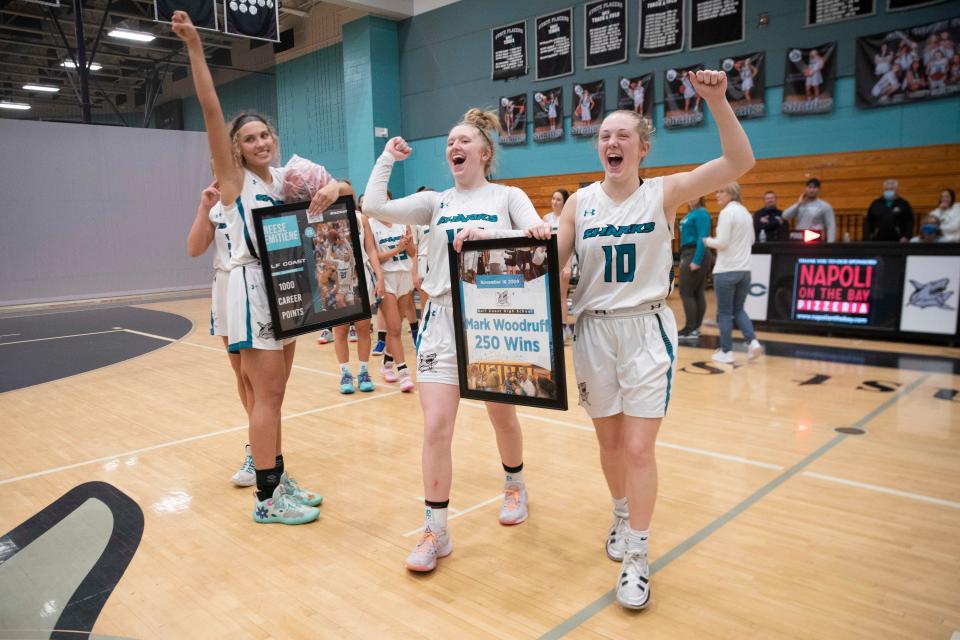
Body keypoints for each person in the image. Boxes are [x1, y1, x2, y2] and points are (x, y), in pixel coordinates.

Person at [554, 69, 755, 610]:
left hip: (644, 328)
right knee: (610, 444)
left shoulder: (665, 192)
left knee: (640, 447)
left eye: (622, 135)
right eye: (603, 135)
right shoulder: (578, 203)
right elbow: (547, 263)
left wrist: (716, 101)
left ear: (642, 147)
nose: (611, 142)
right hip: (592, 330)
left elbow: (739, 164)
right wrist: (491, 249)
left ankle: (639, 556)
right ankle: (620, 514)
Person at [362, 109, 551, 573]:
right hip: (442, 319)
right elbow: (372, 206)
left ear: (484, 152)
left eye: (463, 141)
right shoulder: (437, 202)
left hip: (493, 319)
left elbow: (537, 237)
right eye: (449, 142)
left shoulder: (509, 196)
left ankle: (515, 485)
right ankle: (436, 530)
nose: (454, 147)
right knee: (435, 427)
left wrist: (490, 234)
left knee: (500, 417)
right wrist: (387, 156)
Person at [171, 11, 342, 524]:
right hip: (247, 288)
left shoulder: (285, 180)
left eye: (264, 134)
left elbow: (344, 199)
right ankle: (266, 498)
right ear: (236, 150)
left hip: (284, 289)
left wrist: (336, 187)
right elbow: (208, 109)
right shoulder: (234, 182)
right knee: (262, 393)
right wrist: (197, 49)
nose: (260, 143)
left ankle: (275, 474)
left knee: (275, 392)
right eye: (249, 139)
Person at [186, 180, 258, 486]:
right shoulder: (215, 208)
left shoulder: (260, 196)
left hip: (256, 284)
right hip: (227, 286)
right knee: (242, 373)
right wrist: (204, 206)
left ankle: (263, 450)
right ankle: (258, 446)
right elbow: (193, 249)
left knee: (261, 377)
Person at [705, 183, 763, 365]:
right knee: (738, 309)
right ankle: (752, 342)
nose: (717, 195)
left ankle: (726, 351)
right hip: (744, 271)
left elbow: (722, 243)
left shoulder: (726, 213)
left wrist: (706, 240)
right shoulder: (746, 213)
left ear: (731, 194)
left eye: (721, 191)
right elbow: (752, 239)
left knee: (724, 312)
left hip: (726, 270)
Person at [369, 217, 416, 392]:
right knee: (394, 328)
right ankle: (404, 373)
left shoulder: (402, 222)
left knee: (396, 326)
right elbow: (375, 258)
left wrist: (407, 244)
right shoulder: (371, 225)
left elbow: (412, 252)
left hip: (404, 276)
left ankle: (387, 364)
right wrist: (397, 249)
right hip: (385, 278)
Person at [677, 197, 713, 342]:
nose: (691, 198)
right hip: (688, 252)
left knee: (686, 292)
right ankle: (694, 329)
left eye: (695, 195)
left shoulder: (701, 214)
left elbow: (702, 238)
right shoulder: (691, 213)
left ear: (700, 197)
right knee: (696, 291)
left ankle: (690, 328)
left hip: (695, 253)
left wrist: (696, 260)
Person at [543, 189, 575, 340]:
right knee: (549, 296)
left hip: (564, 261)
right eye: (553, 198)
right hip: (549, 262)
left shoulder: (566, 218)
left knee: (562, 296)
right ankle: (552, 325)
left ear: (564, 202)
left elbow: (571, 244)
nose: (554, 202)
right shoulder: (546, 218)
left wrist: (568, 265)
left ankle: (563, 327)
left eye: (558, 199)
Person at [783, 178, 836, 242]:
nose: (811, 190)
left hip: (815, 240)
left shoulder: (825, 206)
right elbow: (785, 216)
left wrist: (830, 244)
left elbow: (831, 225)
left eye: (814, 188)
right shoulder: (800, 204)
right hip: (799, 239)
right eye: (809, 187)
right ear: (806, 189)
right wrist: (798, 204)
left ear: (818, 190)